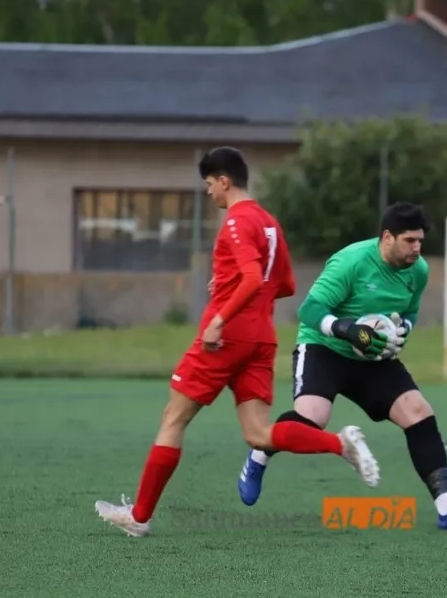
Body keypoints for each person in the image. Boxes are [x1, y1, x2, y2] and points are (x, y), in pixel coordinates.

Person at [95, 147, 379, 537]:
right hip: (261, 338)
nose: (208, 192)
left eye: (209, 184)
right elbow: (284, 285)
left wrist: (220, 319)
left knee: (173, 418)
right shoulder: (269, 222)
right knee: (258, 434)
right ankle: (339, 444)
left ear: (224, 181)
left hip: (226, 338)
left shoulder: (236, 220)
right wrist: (231, 281)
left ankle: (139, 517)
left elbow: (252, 278)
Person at [236, 202, 447, 530]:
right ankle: (260, 452)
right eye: (410, 241)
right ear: (387, 237)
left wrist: (403, 330)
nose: (417, 248)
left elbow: (410, 311)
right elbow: (309, 309)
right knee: (312, 418)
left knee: (418, 411)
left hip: (372, 356)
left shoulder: (418, 271)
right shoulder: (352, 261)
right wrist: (346, 329)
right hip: (324, 347)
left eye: (420, 241)